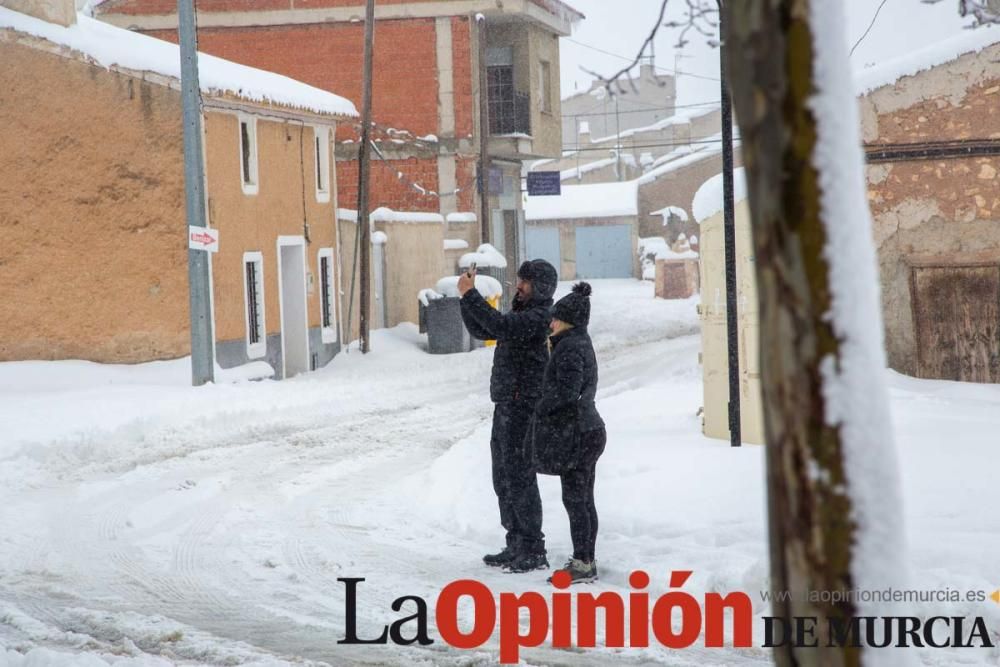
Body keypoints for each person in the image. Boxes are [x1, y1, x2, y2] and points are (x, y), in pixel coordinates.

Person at [456, 259, 558, 573]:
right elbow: (483, 328)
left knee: (520, 477)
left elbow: (500, 327)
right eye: (520, 280)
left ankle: (532, 547)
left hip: (524, 408)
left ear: (540, 286)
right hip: (505, 404)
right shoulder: (522, 312)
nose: (519, 286)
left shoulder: (540, 316)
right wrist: (466, 299)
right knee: (502, 476)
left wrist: (471, 295)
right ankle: (515, 541)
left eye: (525, 282)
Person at [527, 282, 606, 584]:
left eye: (556, 317)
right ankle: (586, 558)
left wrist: (541, 406)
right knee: (583, 498)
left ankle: (583, 563)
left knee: (576, 500)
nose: (551, 322)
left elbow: (568, 392)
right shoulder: (576, 341)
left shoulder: (571, 347)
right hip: (587, 430)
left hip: (579, 434)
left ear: (567, 320)